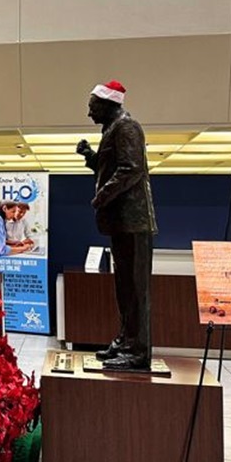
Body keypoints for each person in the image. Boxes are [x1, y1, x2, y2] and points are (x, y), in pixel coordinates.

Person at [75, 80, 158, 371]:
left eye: (92, 107)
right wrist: (90, 157)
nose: (89, 113)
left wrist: (102, 196)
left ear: (107, 104)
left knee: (136, 290)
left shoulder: (127, 127)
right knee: (124, 288)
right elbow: (110, 167)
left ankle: (138, 352)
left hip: (134, 221)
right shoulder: (112, 129)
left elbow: (131, 169)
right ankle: (125, 341)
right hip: (123, 222)